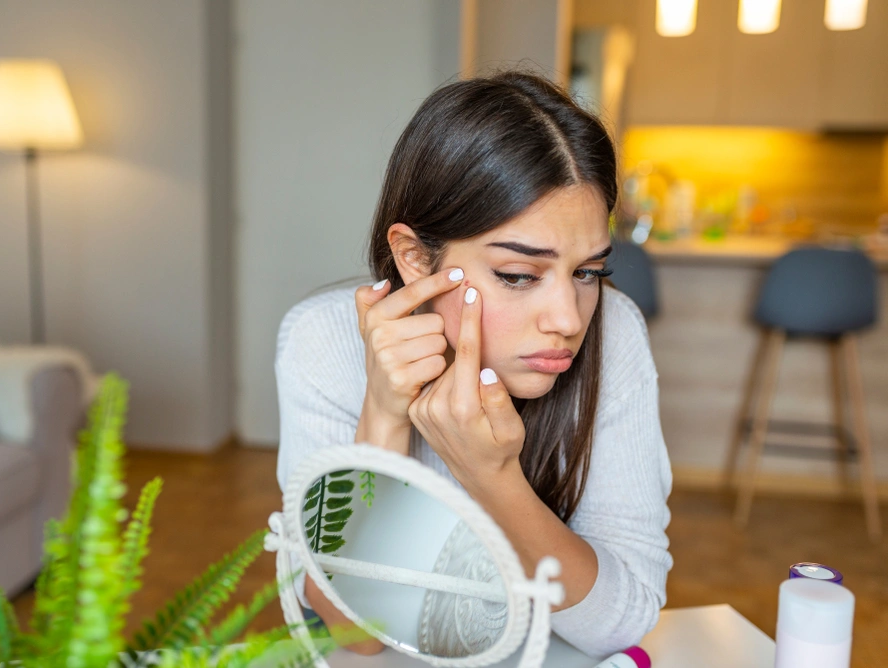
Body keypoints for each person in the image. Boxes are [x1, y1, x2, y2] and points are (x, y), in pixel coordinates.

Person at [274, 71, 672, 659]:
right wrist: (383, 420)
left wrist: (492, 477)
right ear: (413, 257)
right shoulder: (323, 341)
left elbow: (622, 624)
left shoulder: (616, 335)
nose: (568, 318)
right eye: (518, 275)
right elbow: (354, 637)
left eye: (588, 272)